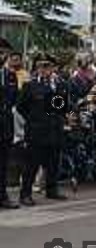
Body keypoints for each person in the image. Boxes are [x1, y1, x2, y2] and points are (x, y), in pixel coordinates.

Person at [17, 56, 68, 204]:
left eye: (47, 66)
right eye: (41, 66)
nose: (44, 69)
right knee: (31, 165)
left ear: (53, 68)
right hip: (37, 131)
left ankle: (52, 190)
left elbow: (63, 107)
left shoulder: (60, 85)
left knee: (53, 163)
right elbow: (21, 107)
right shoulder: (30, 85)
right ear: (37, 68)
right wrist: (34, 119)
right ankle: (25, 194)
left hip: (55, 129)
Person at [0, 52, 19, 208]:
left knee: (3, 163)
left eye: (2, 53)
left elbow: (14, 101)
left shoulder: (10, 76)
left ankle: (2, 196)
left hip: (5, 124)